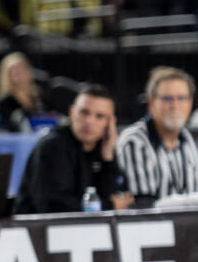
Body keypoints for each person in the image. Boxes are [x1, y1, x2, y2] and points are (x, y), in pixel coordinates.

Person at [15, 84, 133, 214]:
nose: (89, 121)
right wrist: (108, 205)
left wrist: (108, 157)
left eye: (99, 116)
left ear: (110, 123)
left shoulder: (104, 148)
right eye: (84, 112)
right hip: (37, 230)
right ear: (72, 112)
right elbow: (52, 206)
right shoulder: (52, 146)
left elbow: (120, 196)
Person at [116, 66, 198, 206]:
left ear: (190, 102)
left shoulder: (189, 139)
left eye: (181, 98)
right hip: (150, 226)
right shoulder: (134, 141)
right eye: (167, 99)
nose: (175, 105)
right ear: (151, 103)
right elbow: (144, 205)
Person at [0, 52, 44, 132]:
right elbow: (10, 125)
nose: (22, 76)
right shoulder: (5, 101)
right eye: (17, 73)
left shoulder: (40, 95)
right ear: (8, 76)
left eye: (24, 70)